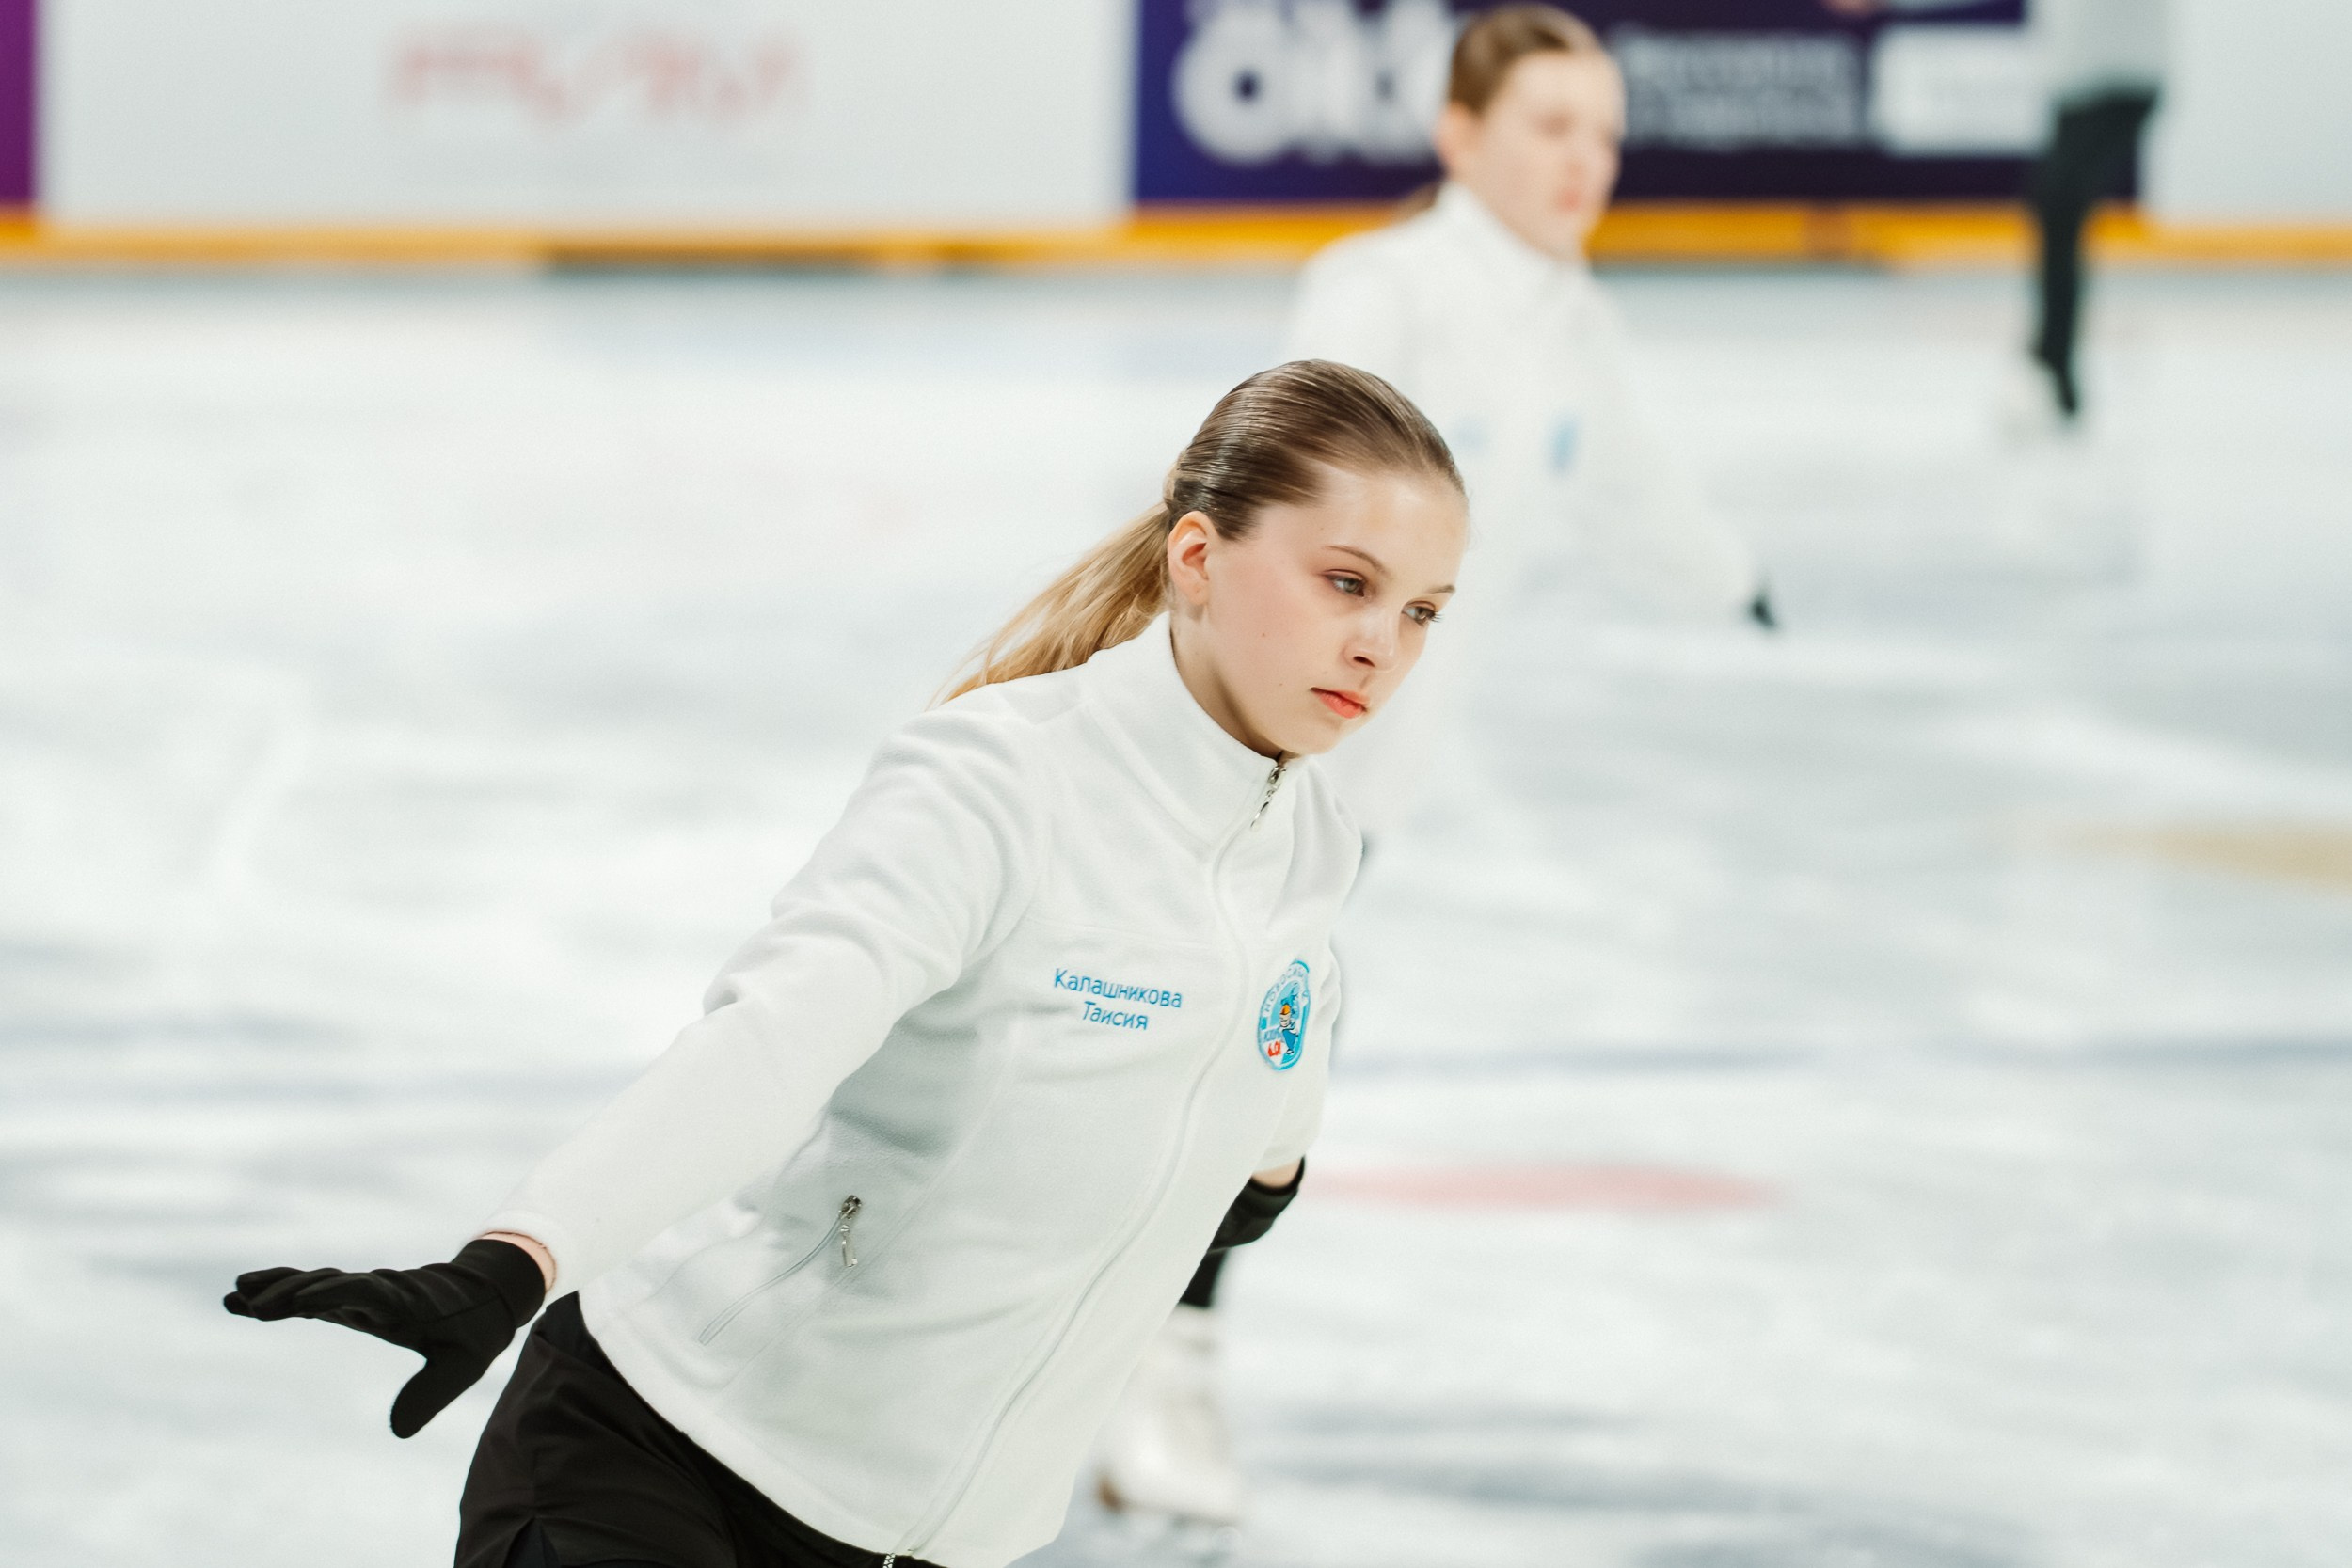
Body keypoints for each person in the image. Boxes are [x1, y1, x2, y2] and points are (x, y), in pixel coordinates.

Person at [221, 359, 1469, 1568]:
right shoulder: (1000, 784)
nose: (1381, 645)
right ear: (1198, 558)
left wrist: (1251, 1155)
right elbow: (771, 1041)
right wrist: (519, 1253)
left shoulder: (1311, 859)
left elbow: (1256, 1122)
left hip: (932, 1542)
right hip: (663, 1460)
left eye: (1419, 608)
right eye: (1345, 581)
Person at [1092, 9, 1769, 1525]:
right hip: (1241, 750)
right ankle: (1140, 1359)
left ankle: (1135, 1346)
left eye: (1602, 133)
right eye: (1549, 128)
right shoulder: (1380, 287)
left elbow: (1641, 486)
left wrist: (1735, 581)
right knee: (1200, 1055)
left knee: (1227, 1060)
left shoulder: (1572, 319)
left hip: (1355, 786)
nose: (1584, 162)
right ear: (1461, 139)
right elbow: (1270, 499)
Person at [1828, 0, 2169, 421]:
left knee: (2058, 207)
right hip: (2082, 89)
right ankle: (2052, 368)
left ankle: (2051, 366)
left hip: (2119, 85)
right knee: (2054, 211)